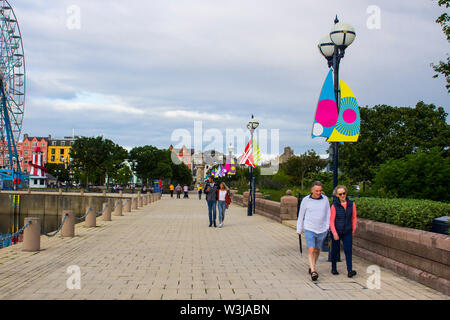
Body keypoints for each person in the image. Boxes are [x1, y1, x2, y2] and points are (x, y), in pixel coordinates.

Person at [297, 181, 331, 281]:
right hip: (309, 228)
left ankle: (313, 265)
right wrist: (299, 228)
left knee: (317, 249)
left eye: (320, 190)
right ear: (312, 190)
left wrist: (327, 226)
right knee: (311, 249)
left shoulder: (325, 199)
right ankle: (313, 271)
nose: (319, 192)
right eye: (316, 191)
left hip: (322, 229)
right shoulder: (305, 200)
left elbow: (328, 213)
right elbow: (301, 215)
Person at [330, 185, 357, 278]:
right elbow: (331, 221)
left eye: (344, 193)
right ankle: (334, 268)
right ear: (337, 195)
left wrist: (353, 229)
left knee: (348, 250)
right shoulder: (334, 206)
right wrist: (334, 233)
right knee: (335, 250)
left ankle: (350, 270)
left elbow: (354, 218)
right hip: (337, 231)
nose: (342, 195)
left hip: (347, 231)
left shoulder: (351, 204)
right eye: (340, 194)